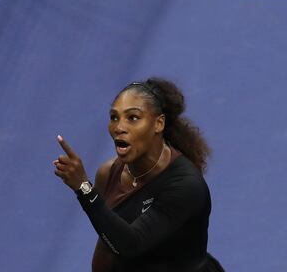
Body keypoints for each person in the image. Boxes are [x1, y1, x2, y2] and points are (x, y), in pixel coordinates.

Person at [53, 78, 224, 271]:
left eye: (132, 117)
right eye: (114, 117)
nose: (119, 127)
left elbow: (131, 244)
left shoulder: (186, 186)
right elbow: (107, 243)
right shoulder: (108, 173)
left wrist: (84, 189)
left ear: (158, 123)